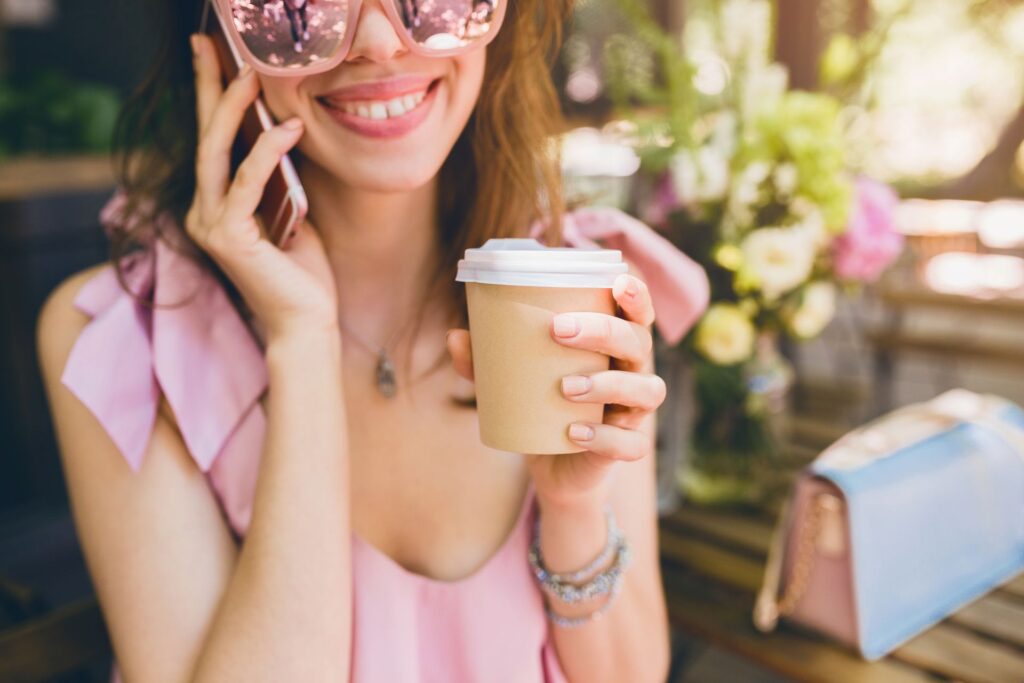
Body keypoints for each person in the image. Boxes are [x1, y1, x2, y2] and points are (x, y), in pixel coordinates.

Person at [35, 0, 709, 681]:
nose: (381, 42)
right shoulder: (127, 348)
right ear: (221, 39)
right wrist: (302, 344)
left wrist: (572, 510)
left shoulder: (568, 292)